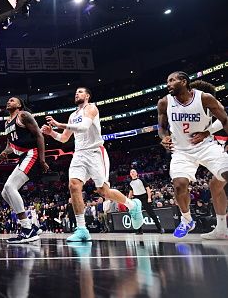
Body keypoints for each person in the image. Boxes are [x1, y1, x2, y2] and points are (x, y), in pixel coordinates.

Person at [42, 87, 144, 242]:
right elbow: (64, 139)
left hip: (95, 153)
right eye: (76, 92)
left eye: (81, 92)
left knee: (104, 192)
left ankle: (132, 205)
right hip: (79, 154)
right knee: (73, 186)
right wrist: (52, 133)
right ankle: (82, 229)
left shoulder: (91, 108)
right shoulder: (72, 115)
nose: (77, 94)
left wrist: (59, 124)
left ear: (87, 96)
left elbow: (83, 127)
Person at [157, 72, 228, 238]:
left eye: (172, 80)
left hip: (206, 146)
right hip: (181, 150)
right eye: (167, 81)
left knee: (224, 176)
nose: (168, 83)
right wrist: (163, 137)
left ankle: (222, 227)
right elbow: (161, 126)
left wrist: (206, 132)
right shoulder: (164, 102)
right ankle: (187, 220)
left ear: (184, 81)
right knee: (180, 185)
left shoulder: (205, 98)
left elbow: (224, 119)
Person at [0, 97, 49, 243]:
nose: (8, 102)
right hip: (22, 156)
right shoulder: (7, 123)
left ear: (19, 105)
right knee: (4, 192)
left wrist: (42, 159)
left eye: (12, 100)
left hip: (32, 153)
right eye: (7, 100)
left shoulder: (24, 115)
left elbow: (39, 135)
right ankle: (32, 226)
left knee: (9, 187)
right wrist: (5, 152)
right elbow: (10, 145)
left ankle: (27, 229)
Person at [128, 169, 164, 234]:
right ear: (130, 174)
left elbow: (148, 189)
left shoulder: (141, 180)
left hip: (144, 197)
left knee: (151, 213)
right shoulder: (131, 183)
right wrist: (128, 200)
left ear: (136, 173)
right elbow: (131, 192)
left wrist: (149, 198)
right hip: (136, 198)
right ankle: (139, 230)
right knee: (137, 214)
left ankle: (160, 228)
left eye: (133, 171)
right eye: (131, 172)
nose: (132, 173)